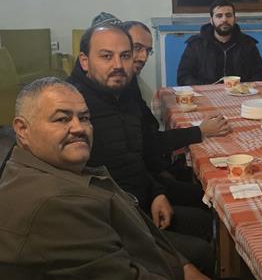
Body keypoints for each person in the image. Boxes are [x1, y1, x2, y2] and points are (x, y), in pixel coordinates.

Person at [0, 77, 208, 279]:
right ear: (22, 129)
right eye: (62, 119)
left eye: (84, 118)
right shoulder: (54, 204)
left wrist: (182, 265)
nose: (79, 128)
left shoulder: (55, 168)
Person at [67, 24, 213, 274]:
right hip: (112, 224)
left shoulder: (122, 94)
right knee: (201, 251)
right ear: (84, 61)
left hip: (140, 202)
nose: (118, 65)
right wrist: (178, 261)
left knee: (208, 220)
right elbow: (89, 197)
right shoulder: (76, 109)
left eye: (125, 56)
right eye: (106, 56)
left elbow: (134, 156)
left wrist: (156, 192)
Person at [123, 20, 230, 205]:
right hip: (138, 185)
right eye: (137, 48)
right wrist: (200, 131)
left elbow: (147, 133)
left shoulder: (129, 81)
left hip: (149, 167)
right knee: (215, 196)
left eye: (148, 51)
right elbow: (146, 142)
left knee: (214, 172)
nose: (143, 57)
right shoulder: (195, 44)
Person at [177, 0, 262, 86]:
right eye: (219, 16)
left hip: (240, 93)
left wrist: (243, 87)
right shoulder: (196, 45)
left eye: (228, 15)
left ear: (234, 19)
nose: (224, 20)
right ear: (211, 20)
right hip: (206, 93)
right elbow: (183, 77)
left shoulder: (248, 44)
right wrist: (206, 88)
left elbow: (260, 74)